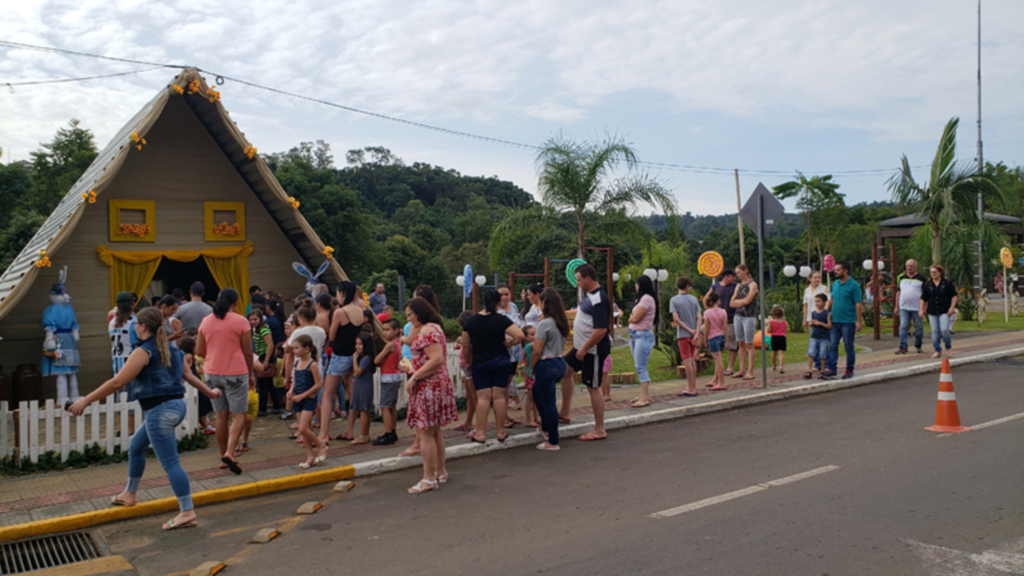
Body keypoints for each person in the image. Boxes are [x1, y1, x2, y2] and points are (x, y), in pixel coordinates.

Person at [69, 307, 222, 530]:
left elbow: (117, 382)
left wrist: (86, 401)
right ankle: (129, 493)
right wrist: (210, 392)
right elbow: (189, 376)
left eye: (135, 324)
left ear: (142, 327)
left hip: (159, 412)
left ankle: (187, 511)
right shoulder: (172, 350)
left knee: (170, 463)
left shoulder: (143, 352)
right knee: (136, 446)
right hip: (176, 407)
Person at [403, 297, 458, 494]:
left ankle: (428, 478)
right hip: (437, 382)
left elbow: (435, 359)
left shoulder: (426, 331)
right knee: (434, 431)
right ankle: (440, 471)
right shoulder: (435, 327)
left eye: (410, 315)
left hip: (428, 384)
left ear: (417, 313)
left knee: (425, 432)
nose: (409, 320)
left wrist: (415, 376)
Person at [196, 288, 254, 475]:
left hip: (212, 372)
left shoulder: (206, 321)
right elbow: (247, 351)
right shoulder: (241, 321)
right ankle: (230, 452)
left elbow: (200, 351)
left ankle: (222, 457)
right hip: (236, 372)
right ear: (235, 303)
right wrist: (251, 373)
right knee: (239, 415)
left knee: (220, 416)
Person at [462, 289, 525, 443]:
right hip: (500, 360)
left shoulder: (471, 321)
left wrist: (469, 361)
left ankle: (481, 433)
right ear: (498, 303)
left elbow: (465, 345)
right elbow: (520, 335)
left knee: (482, 398)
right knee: (499, 397)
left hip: (480, 361)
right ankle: (501, 432)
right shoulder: (501, 320)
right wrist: (510, 343)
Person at [561, 264, 611, 441]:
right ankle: (565, 412)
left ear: (588, 279)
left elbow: (600, 330)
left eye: (580, 280)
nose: (578, 283)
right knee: (564, 371)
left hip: (592, 350)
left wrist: (584, 348)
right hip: (581, 347)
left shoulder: (598, 299)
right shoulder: (589, 296)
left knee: (593, 386)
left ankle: (599, 428)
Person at [529, 287, 569, 451]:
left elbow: (537, 350)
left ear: (545, 303)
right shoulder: (561, 322)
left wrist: (531, 367)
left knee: (549, 402)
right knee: (537, 392)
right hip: (559, 361)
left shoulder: (545, 323)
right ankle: (546, 426)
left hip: (546, 363)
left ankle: (553, 440)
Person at [324, 281, 364, 443]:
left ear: (342, 293)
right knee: (352, 392)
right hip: (354, 354)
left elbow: (332, 336)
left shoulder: (340, 312)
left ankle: (323, 434)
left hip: (339, 355)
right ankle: (349, 430)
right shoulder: (360, 311)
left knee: (327, 394)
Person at [286, 334, 328, 469]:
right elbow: (296, 380)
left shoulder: (312, 364)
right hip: (298, 399)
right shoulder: (297, 363)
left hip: (308, 399)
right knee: (305, 430)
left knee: (303, 428)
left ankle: (321, 445)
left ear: (307, 349)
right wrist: (291, 390)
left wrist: (302, 395)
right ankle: (310, 456)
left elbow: (317, 385)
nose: (294, 351)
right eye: (294, 348)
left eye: (297, 348)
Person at [823, 261, 862, 380]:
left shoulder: (854, 285)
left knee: (848, 346)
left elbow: (858, 304)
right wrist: (826, 314)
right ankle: (832, 369)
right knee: (832, 345)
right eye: (835, 269)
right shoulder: (835, 284)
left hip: (848, 321)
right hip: (834, 321)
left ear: (845, 271)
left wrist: (859, 321)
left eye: (838, 270)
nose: (835, 271)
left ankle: (849, 369)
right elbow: (832, 300)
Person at [372, 318, 403, 445]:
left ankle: (388, 432)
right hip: (395, 376)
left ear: (396, 331)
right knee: (392, 406)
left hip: (388, 377)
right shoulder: (398, 344)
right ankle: (393, 430)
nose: (384, 332)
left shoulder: (390, 345)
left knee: (384, 406)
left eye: (387, 330)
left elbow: (377, 360)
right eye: (383, 330)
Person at [628, 275, 657, 408]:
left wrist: (631, 317)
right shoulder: (642, 299)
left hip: (642, 335)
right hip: (635, 335)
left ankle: (645, 398)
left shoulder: (646, 299)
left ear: (639, 284)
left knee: (641, 367)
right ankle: (643, 394)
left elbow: (635, 318)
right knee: (638, 365)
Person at [672, 276, 703, 395]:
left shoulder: (674, 300)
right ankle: (692, 386)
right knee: (692, 359)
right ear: (687, 286)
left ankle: (691, 388)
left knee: (687, 360)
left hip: (683, 334)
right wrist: (695, 331)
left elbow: (676, 319)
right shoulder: (694, 299)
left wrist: (690, 330)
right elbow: (699, 317)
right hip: (694, 334)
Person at [705, 270, 739, 375]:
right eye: (732, 276)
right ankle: (697, 354)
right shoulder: (716, 286)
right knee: (701, 331)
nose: (734, 278)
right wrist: (709, 309)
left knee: (733, 344)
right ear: (726, 276)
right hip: (716, 320)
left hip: (731, 318)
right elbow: (706, 297)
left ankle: (730, 367)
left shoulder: (736, 286)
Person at [496, 283, 523, 414]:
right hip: (503, 351)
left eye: (506, 294)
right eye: (501, 294)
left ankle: (506, 413)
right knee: (503, 384)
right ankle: (503, 415)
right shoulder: (495, 311)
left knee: (508, 381)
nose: (504, 297)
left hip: (515, 350)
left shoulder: (513, 307)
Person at [921, 264, 958, 359]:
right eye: (931, 272)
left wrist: (952, 308)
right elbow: (923, 298)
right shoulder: (928, 285)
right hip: (932, 311)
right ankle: (937, 350)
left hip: (944, 310)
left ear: (940, 273)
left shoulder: (947, 284)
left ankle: (948, 347)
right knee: (934, 332)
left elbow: (954, 296)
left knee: (945, 329)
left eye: (935, 272)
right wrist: (921, 309)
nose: (933, 274)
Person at [180, 335, 214, 435]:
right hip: (194, 387)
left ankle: (205, 424)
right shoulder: (188, 356)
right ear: (191, 348)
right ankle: (207, 426)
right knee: (202, 406)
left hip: (195, 384)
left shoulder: (189, 356)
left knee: (201, 407)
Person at [730, 264, 758, 381]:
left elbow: (748, 300)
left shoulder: (753, 284)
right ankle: (742, 369)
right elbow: (731, 303)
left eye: (739, 272)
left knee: (749, 344)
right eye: (737, 273)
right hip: (738, 316)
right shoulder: (738, 286)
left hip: (748, 317)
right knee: (740, 344)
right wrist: (740, 302)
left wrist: (738, 302)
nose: (738, 275)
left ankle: (750, 371)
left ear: (745, 271)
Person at [249, 309, 279, 415]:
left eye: (255, 319)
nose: (253, 322)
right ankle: (277, 406)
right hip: (260, 356)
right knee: (269, 384)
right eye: (251, 319)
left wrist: (266, 361)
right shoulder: (255, 329)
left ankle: (263, 409)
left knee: (263, 385)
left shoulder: (263, 329)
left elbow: (270, 345)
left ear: (260, 318)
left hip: (265, 357)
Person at [452, 311, 478, 436]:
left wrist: (463, 342)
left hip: (469, 365)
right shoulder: (468, 333)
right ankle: (468, 421)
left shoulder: (472, 334)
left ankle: (479, 424)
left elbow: (471, 346)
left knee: (475, 397)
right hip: (464, 366)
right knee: (469, 396)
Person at [349, 332, 376, 445]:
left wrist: (354, 360)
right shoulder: (364, 357)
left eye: (360, 344)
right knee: (364, 410)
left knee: (363, 410)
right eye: (356, 344)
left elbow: (358, 372)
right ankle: (365, 434)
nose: (357, 347)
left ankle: (363, 435)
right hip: (361, 385)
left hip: (364, 386)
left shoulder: (365, 358)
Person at [895, 259, 926, 355]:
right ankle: (903, 346)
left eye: (911, 266)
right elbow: (898, 292)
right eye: (908, 266)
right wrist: (896, 306)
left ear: (916, 267)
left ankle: (918, 344)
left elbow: (925, 295)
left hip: (917, 307)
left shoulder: (921, 279)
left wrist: (923, 308)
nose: (909, 268)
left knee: (918, 328)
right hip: (904, 307)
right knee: (903, 326)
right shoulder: (902, 278)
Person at [702, 292, 728, 391]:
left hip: (712, 337)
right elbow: (725, 327)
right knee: (719, 359)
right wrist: (726, 341)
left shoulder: (707, 313)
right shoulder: (723, 312)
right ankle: (715, 380)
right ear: (717, 301)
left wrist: (705, 340)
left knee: (718, 361)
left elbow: (706, 329)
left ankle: (721, 383)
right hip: (721, 336)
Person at [805, 293, 831, 379]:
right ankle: (809, 370)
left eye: (818, 301)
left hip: (823, 337)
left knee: (822, 354)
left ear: (824, 302)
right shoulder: (814, 313)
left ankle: (822, 370)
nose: (817, 303)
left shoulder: (826, 314)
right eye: (815, 301)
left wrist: (820, 323)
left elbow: (829, 326)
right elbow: (812, 324)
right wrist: (812, 324)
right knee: (811, 353)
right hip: (814, 336)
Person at [519, 325, 541, 427]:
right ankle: (528, 419)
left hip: (534, 373)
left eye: (536, 333)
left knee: (536, 397)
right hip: (531, 374)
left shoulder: (527, 347)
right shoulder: (529, 346)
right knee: (530, 397)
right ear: (526, 337)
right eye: (532, 334)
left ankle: (536, 417)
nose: (535, 336)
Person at [768, 305, 787, 373]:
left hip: (774, 337)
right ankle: (781, 366)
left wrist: (770, 330)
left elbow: (768, 330)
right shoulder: (784, 322)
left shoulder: (771, 322)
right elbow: (785, 330)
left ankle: (774, 365)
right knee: (781, 353)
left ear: (773, 314)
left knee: (774, 353)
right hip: (782, 337)